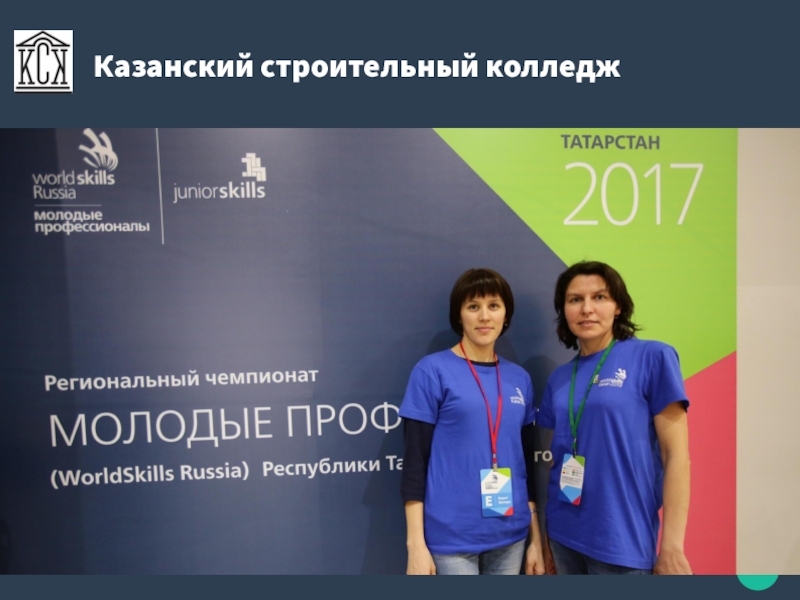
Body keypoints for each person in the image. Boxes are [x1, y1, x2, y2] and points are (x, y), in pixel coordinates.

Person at [537, 261, 692, 575]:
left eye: (599, 297)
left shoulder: (653, 357)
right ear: (564, 310)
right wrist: (545, 535)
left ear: (618, 306)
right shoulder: (560, 378)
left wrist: (672, 546)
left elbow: (676, 455)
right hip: (564, 535)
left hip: (621, 538)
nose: (587, 309)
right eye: (575, 299)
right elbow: (554, 461)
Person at [399, 268, 545, 575]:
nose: (484, 316)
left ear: (506, 315)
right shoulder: (432, 371)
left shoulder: (519, 378)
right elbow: (415, 463)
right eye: (473, 306)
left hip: (511, 534)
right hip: (451, 538)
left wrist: (535, 538)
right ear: (459, 315)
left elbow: (525, 465)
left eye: (494, 306)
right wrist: (415, 545)